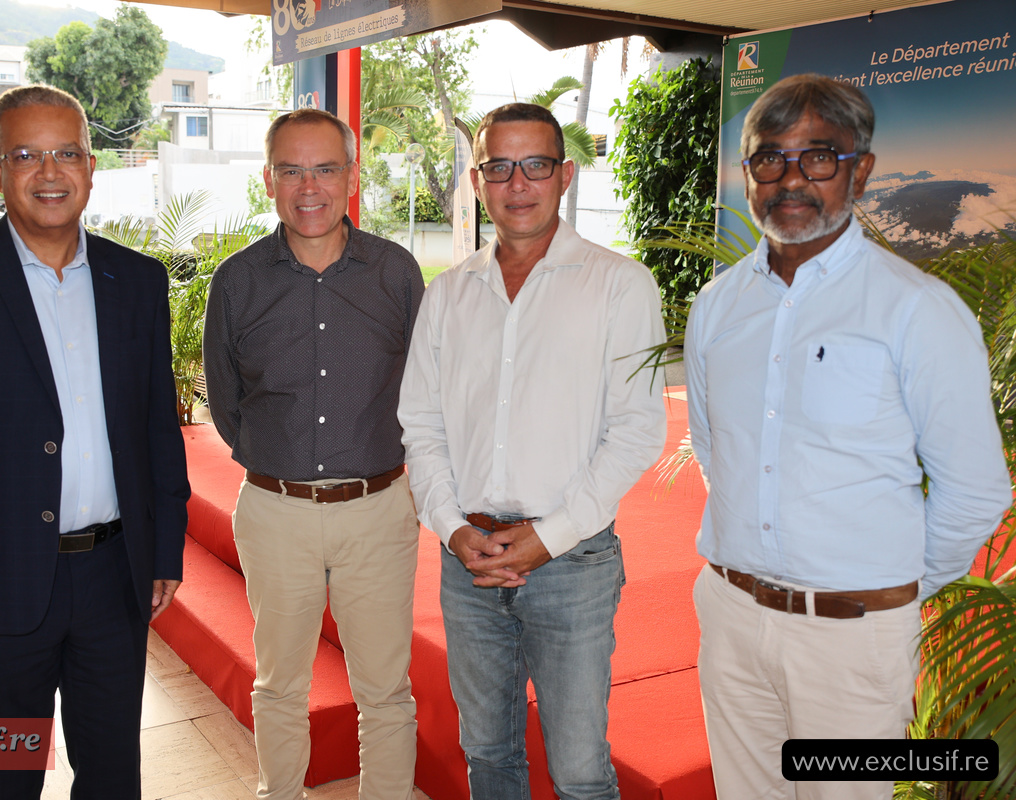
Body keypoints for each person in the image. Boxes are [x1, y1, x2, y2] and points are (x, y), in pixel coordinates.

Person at [684, 73, 1012, 800]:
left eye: (819, 157)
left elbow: (974, 489)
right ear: (747, 176)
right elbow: (716, 449)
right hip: (733, 617)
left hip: (853, 636)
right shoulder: (718, 304)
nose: (792, 178)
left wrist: (885, 592)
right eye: (770, 158)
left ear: (860, 169)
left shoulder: (917, 309)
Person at [0, 84, 190, 800]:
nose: (49, 172)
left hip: (113, 580)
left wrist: (163, 544)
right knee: (6, 779)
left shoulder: (136, 280)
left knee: (113, 777)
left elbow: (154, 428)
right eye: (26, 155)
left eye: (66, 153)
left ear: (90, 164)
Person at [398, 102, 667, 799]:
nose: (518, 184)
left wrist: (547, 538)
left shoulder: (618, 284)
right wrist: (454, 529)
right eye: (499, 167)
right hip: (469, 562)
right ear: (478, 179)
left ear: (566, 174)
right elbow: (420, 424)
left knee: (579, 771)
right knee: (487, 755)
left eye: (536, 165)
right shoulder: (449, 295)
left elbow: (637, 428)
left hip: (573, 564)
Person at [203, 108, 425, 799]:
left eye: (325, 168)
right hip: (275, 511)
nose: (310, 186)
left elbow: (425, 389)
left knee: (385, 689)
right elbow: (226, 399)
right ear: (269, 180)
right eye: (292, 170)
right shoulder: (237, 282)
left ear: (351, 178)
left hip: (379, 510)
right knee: (278, 686)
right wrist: (283, 466)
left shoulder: (396, 274)